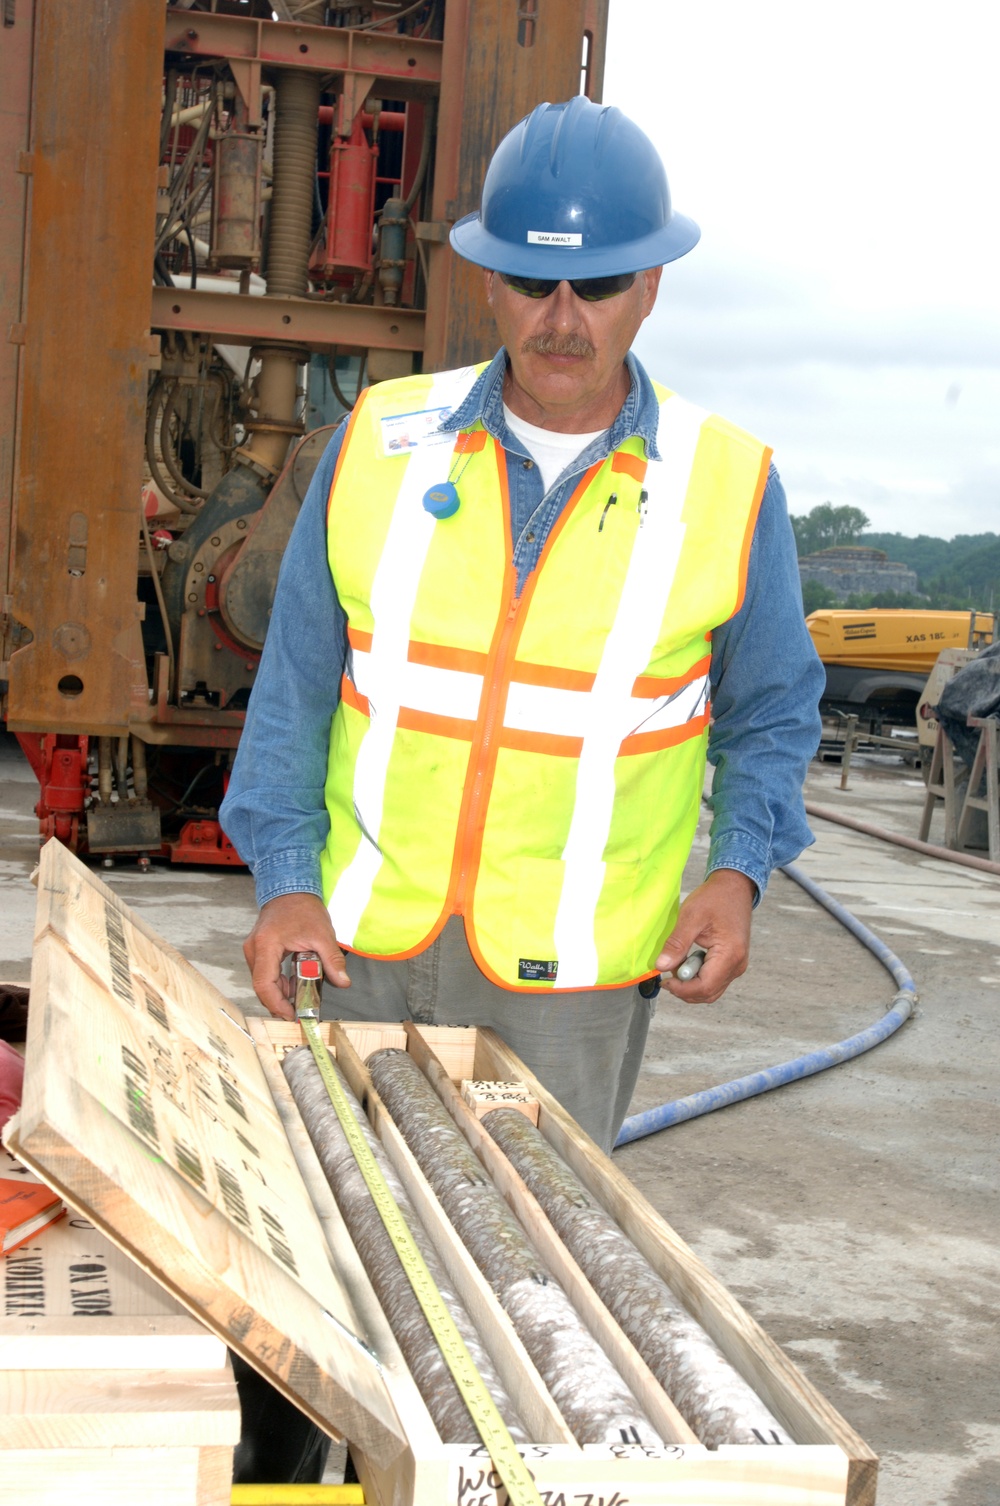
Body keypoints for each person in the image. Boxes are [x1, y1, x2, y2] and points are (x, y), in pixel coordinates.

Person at [221, 96, 824, 1159]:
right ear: (487, 282)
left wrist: (736, 873)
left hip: (575, 983)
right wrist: (285, 885)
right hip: (360, 944)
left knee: (535, 1271)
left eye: (594, 285)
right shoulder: (380, 442)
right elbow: (299, 686)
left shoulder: (727, 484)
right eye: (529, 282)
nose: (560, 317)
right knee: (352, 1250)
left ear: (648, 287)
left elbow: (771, 711)